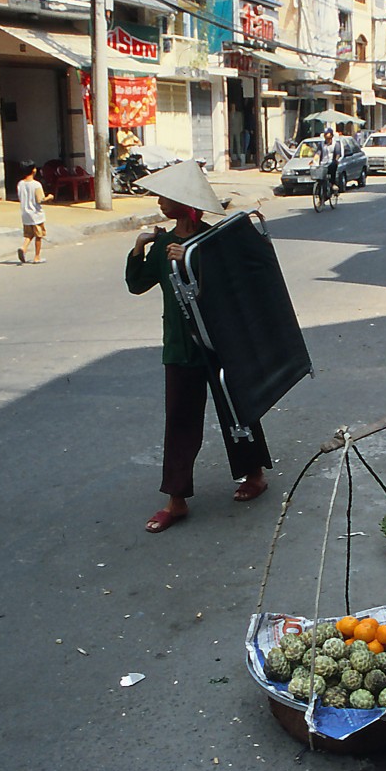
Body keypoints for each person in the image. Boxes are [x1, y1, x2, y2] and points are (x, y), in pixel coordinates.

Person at [125, 160, 271, 534]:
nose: (158, 201)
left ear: (183, 201)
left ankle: (254, 474)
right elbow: (137, 284)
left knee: (237, 411)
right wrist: (140, 249)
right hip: (180, 348)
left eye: (164, 196)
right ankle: (176, 500)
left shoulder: (211, 241)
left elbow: (232, 288)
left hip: (219, 345)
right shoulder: (160, 246)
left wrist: (192, 262)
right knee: (179, 420)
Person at [16, 161, 53, 264]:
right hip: (36, 214)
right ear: (33, 170)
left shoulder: (20, 184)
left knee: (29, 234)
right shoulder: (36, 184)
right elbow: (40, 200)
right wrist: (49, 197)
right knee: (38, 236)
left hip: (25, 214)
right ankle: (37, 257)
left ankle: (23, 248)